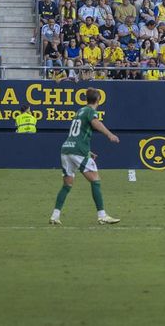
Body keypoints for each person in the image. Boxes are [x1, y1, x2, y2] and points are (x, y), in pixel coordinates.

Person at [51, 88, 119, 225]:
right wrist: (109, 134)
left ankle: (55, 216)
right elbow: (95, 123)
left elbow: (78, 134)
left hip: (66, 149)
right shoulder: (90, 111)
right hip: (77, 151)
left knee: (67, 185)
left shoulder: (80, 111)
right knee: (95, 180)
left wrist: (88, 152)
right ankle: (102, 215)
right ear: (98, 100)